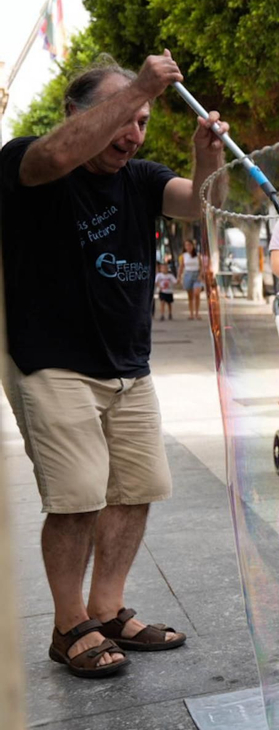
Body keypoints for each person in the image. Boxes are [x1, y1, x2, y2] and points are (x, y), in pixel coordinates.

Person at [0, 50, 226, 677]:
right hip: (51, 361)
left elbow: (199, 204)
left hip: (129, 364)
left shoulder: (142, 177)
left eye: (145, 120)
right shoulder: (27, 159)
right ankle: (68, 624)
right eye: (122, 114)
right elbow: (49, 159)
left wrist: (206, 156)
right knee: (75, 499)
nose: (133, 132)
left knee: (135, 489)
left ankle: (108, 608)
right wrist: (140, 88)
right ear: (75, 113)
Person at [179, 238, 203, 320]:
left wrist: (201, 275)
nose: (188, 247)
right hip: (187, 274)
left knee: (197, 293)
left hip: (196, 274)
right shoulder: (184, 256)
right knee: (190, 296)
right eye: (186, 245)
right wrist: (179, 277)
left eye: (189, 245)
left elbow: (202, 266)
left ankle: (197, 313)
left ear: (193, 246)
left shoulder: (198, 255)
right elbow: (181, 266)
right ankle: (191, 313)